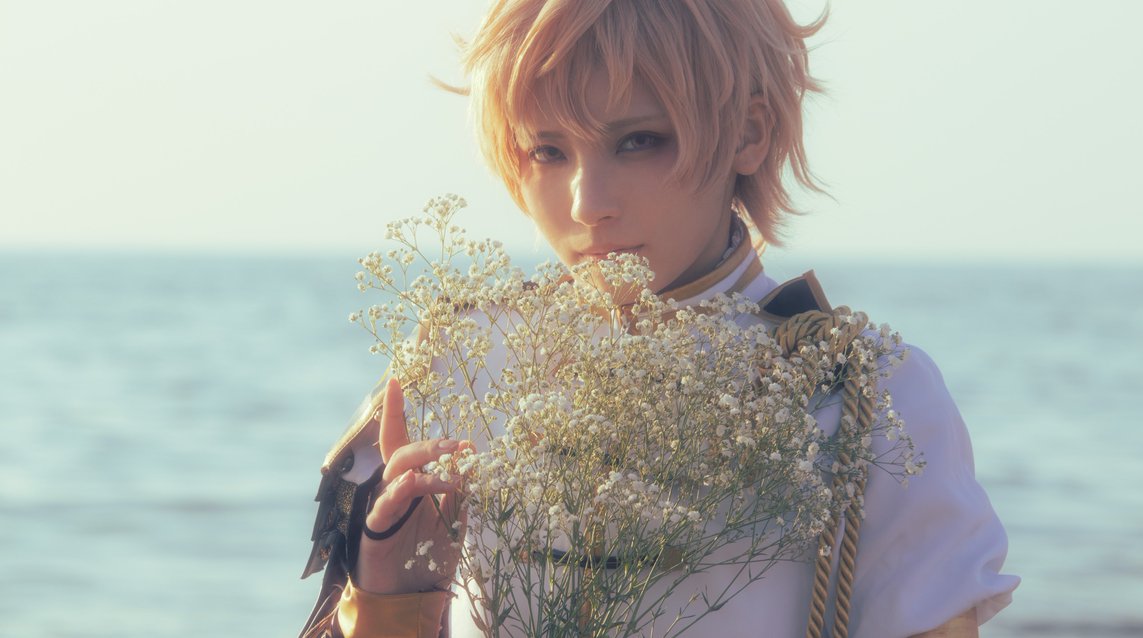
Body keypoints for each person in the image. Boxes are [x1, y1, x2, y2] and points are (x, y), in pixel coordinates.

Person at [299, 1, 1019, 636]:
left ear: (749, 132)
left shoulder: (866, 397)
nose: (587, 204)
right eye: (548, 150)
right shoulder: (456, 364)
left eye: (638, 140)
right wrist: (389, 600)